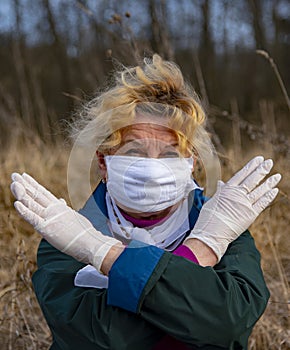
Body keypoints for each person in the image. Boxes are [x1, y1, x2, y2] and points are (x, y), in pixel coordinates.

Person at [10, 54, 281, 350]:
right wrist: (198, 253)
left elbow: (227, 323)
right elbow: (99, 339)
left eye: (169, 154)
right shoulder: (64, 231)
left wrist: (105, 255)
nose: (153, 170)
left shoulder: (224, 224)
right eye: (135, 151)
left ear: (190, 163)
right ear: (104, 162)